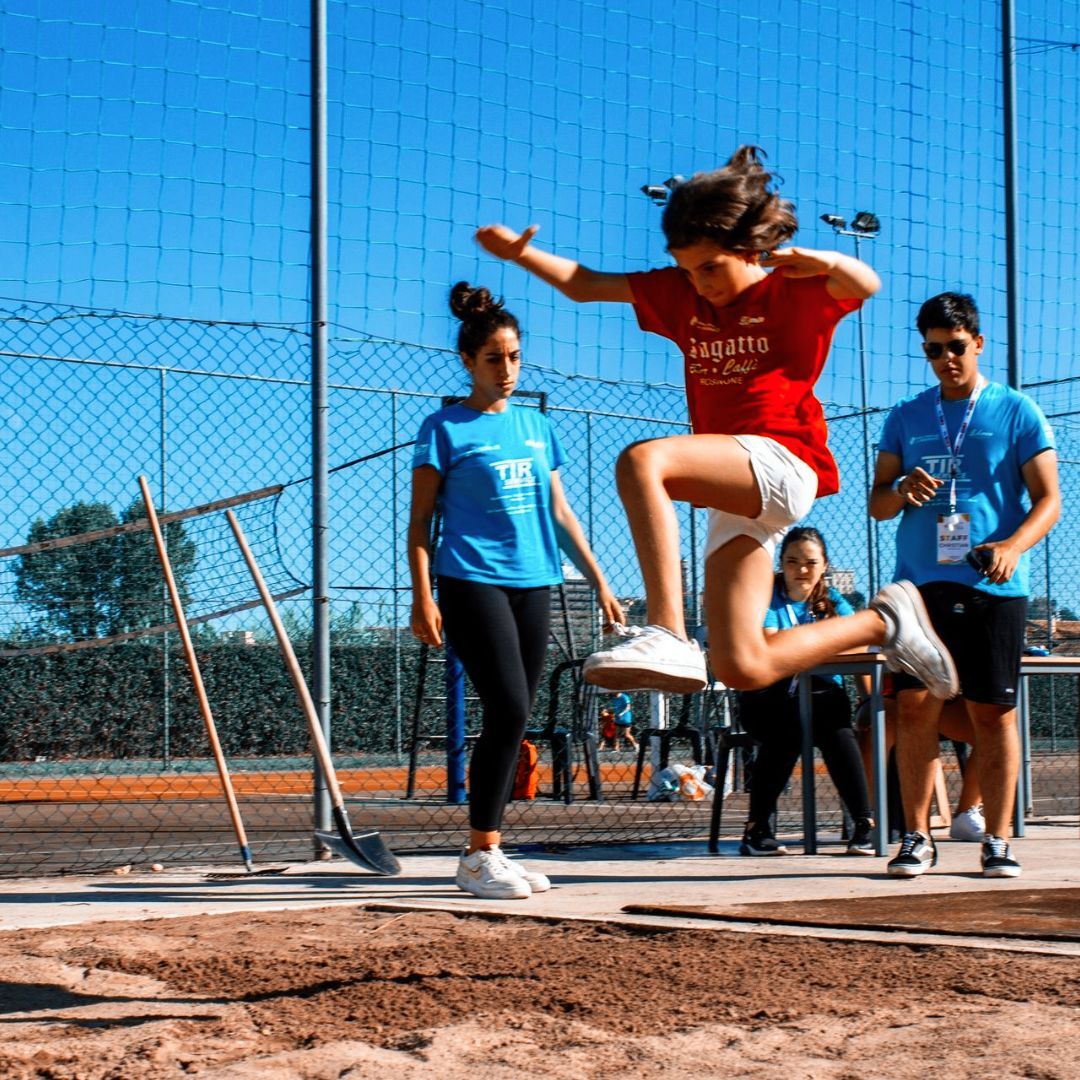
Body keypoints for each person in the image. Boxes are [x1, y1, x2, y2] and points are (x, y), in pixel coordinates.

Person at [477, 145, 957, 709]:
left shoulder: (790, 289)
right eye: (687, 269)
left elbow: (864, 283)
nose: (699, 282)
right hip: (740, 491)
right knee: (741, 663)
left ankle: (667, 630)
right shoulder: (684, 296)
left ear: (752, 249)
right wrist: (520, 255)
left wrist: (822, 260)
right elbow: (586, 283)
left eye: (710, 267)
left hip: (783, 459)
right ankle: (884, 620)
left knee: (643, 460)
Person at [408, 282, 624, 900]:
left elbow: (561, 512)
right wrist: (422, 596)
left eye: (514, 357)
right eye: (494, 359)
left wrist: (599, 578)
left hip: (538, 583)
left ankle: (490, 848)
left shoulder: (536, 426)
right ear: (469, 363)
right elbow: (421, 523)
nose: (507, 369)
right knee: (506, 708)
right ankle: (480, 854)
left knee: (518, 714)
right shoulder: (443, 429)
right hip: (470, 580)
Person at [869, 292, 1060, 879]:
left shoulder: (1017, 411)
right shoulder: (906, 414)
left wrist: (1011, 547)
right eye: (933, 350)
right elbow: (877, 503)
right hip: (919, 588)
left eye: (955, 347)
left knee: (992, 715)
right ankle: (914, 838)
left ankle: (997, 840)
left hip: (992, 586)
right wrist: (902, 490)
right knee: (915, 709)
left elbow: (1049, 499)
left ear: (977, 343)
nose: (946, 359)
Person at [737, 527, 876, 856]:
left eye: (810, 563)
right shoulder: (767, 595)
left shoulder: (834, 602)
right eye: (792, 561)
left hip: (821, 697)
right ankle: (757, 829)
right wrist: (826, 645)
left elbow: (857, 651)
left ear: (824, 565)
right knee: (785, 732)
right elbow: (772, 646)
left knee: (841, 729)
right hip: (770, 697)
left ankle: (863, 824)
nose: (801, 570)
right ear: (780, 564)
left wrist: (868, 700)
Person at [855, 683, 985, 842]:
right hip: (896, 699)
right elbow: (867, 671)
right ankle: (872, 815)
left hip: (944, 699)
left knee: (991, 728)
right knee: (877, 719)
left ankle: (965, 814)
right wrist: (871, 697)